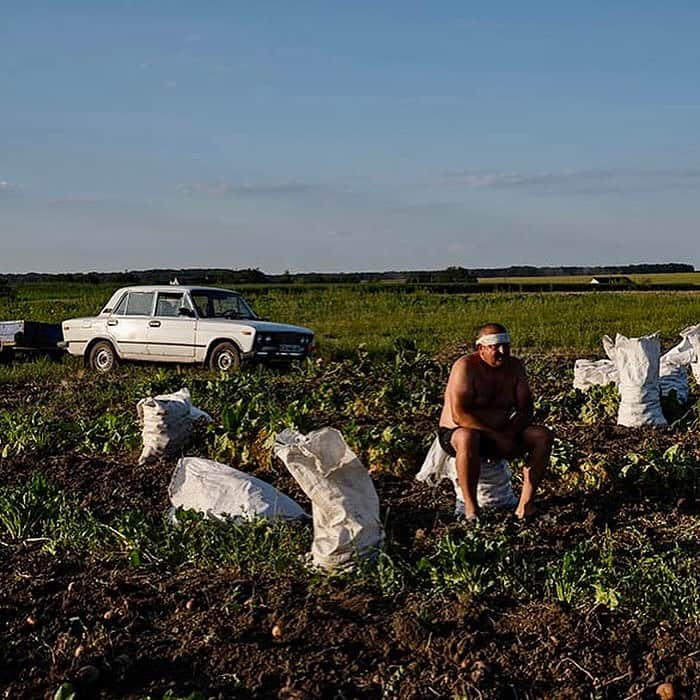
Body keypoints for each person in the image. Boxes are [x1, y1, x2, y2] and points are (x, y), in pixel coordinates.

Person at [438, 323, 553, 520]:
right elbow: (460, 415)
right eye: (494, 347)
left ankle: (525, 506)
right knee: (467, 436)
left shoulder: (515, 367)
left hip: (501, 432)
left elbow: (526, 409)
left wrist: (508, 433)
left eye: (505, 346)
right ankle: (471, 510)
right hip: (459, 434)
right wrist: (496, 435)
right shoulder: (465, 367)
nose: (502, 351)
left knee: (542, 435)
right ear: (480, 349)